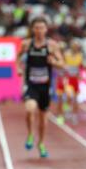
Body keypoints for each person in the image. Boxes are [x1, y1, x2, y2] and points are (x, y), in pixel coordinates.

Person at [16, 16, 64, 158]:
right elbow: (17, 58)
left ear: (46, 29)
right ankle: (30, 134)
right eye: (36, 28)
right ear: (32, 29)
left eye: (41, 28)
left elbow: (62, 63)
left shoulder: (52, 45)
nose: (39, 30)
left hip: (45, 87)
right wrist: (18, 68)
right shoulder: (26, 44)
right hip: (31, 85)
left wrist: (54, 61)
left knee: (43, 119)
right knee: (30, 108)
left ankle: (41, 143)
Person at [56, 39, 84, 125]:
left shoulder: (80, 56)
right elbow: (61, 65)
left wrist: (80, 75)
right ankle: (61, 115)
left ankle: (74, 115)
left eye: (77, 47)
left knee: (75, 98)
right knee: (65, 96)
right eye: (74, 46)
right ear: (71, 46)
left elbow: (80, 67)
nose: (75, 48)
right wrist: (63, 74)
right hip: (66, 78)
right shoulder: (66, 54)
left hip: (75, 79)